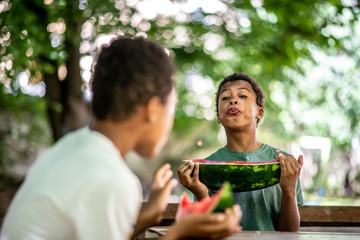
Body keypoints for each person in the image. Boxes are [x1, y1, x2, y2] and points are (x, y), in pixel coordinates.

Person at [0, 37, 242, 240]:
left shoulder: (70, 147)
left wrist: (148, 215)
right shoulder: (112, 180)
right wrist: (179, 234)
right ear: (153, 109)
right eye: (171, 107)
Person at [178, 73, 304, 232]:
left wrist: (289, 190)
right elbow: (212, 228)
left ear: (259, 112)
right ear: (219, 116)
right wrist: (201, 193)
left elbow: (289, 230)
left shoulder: (285, 164)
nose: (233, 100)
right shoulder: (206, 169)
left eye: (243, 95)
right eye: (225, 98)